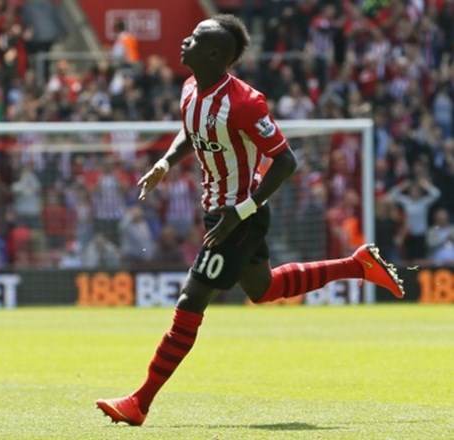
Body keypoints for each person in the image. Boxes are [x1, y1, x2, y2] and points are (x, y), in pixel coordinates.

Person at [96, 14, 404, 427]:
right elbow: (193, 131)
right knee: (263, 288)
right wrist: (166, 163)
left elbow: (286, 161)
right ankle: (357, 265)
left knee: (191, 302)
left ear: (216, 55)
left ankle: (140, 402)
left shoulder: (244, 102)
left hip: (239, 216)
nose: (185, 39)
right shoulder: (191, 88)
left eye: (196, 37)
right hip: (221, 213)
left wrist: (242, 211)